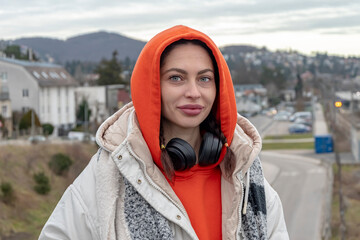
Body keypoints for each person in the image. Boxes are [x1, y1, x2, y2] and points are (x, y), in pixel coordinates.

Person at [39, 25, 289, 240]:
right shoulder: (110, 174)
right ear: (152, 87)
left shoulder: (244, 174)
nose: (194, 92)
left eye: (204, 79)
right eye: (176, 78)